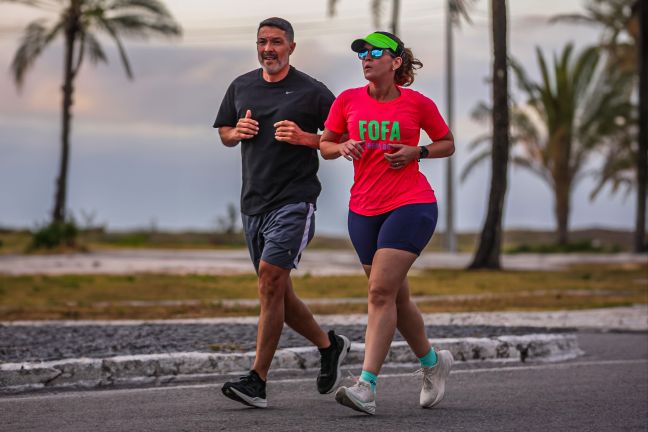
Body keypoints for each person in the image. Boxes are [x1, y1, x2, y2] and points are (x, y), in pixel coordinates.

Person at [213, 17, 350, 409]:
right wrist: (235, 132)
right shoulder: (241, 85)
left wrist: (307, 138)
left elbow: (342, 138)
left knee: (270, 282)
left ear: (291, 47)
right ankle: (329, 346)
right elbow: (222, 130)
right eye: (262, 42)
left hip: (295, 200)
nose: (268, 49)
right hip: (253, 203)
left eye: (276, 42)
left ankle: (257, 379)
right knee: (279, 293)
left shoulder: (313, 92)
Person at [319, 31, 456, 415]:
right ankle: (432, 364)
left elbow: (447, 143)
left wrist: (419, 151)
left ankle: (366, 387)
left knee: (379, 292)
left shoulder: (417, 104)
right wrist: (341, 146)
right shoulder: (347, 101)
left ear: (396, 62)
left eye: (374, 52)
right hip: (363, 209)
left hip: (411, 204)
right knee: (396, 297)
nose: (365, 57)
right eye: (361, 53)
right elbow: (326, 145)